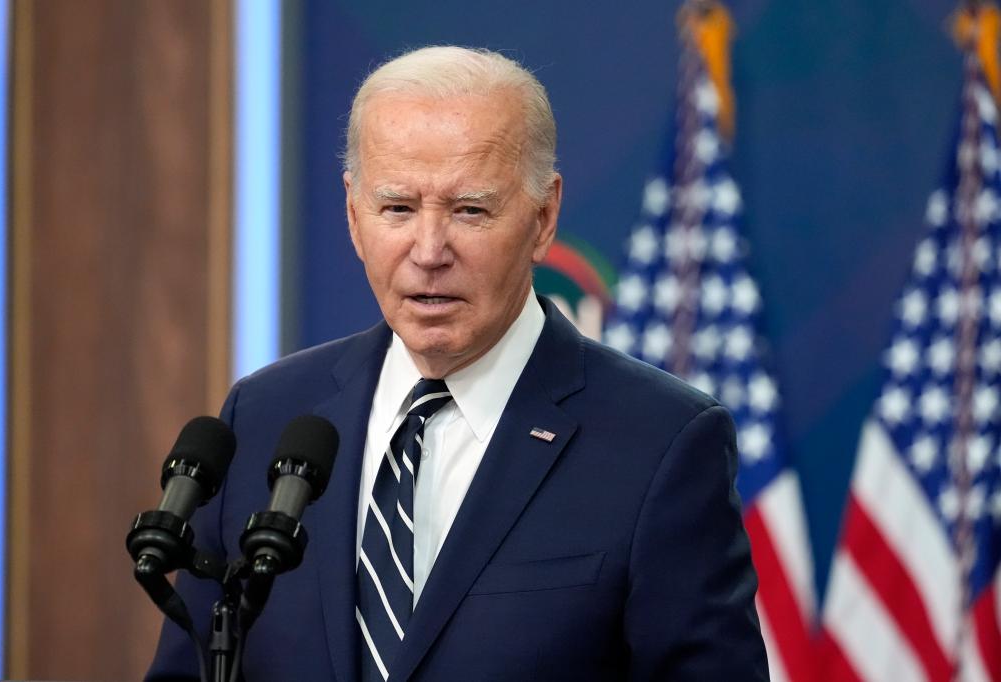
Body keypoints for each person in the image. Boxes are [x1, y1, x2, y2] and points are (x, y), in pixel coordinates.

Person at [148, 45, 768, 681]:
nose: (429, 250)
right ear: (354, 215)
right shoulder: (265, 416)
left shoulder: (660, 442)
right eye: (398, 208)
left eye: (470, 209)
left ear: (544, 216)